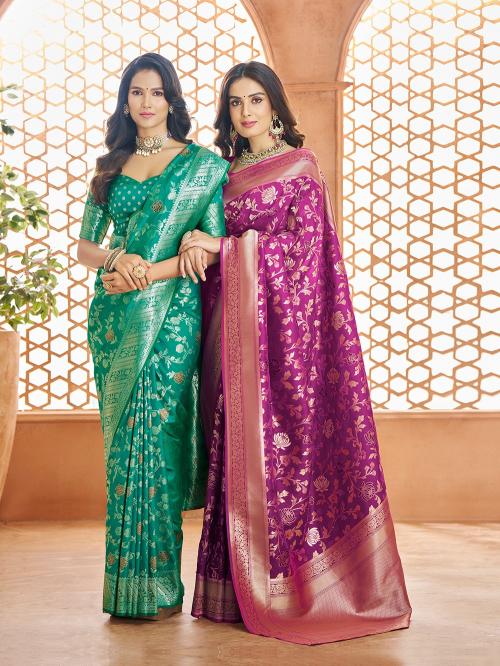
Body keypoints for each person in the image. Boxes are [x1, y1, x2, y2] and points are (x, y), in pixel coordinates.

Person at [179, 61, 411, 644]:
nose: (246, 112)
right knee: (236, 448)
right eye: (235, 103)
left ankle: (293, 585)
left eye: (256, 100)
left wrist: (223, 247)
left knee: (284, 455)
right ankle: (234, 587)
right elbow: (201, 237)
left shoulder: (301, 169)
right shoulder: (222, 174)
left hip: (287, 341)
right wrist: (196, 243)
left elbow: (304, 253)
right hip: (231, 339)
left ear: (275, 106)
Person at [77, 53, 228, 619]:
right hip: (114, 317)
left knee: (159, 439)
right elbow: (85, 247)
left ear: (171, 100)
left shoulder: (201, 167)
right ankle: (125, 589)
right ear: (125, 103)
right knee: (123, 450)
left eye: (156, 92)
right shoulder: (110, 166)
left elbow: (211, 246)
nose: (145, 102)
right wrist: (119, 258)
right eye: (136, 92)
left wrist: (154, 268)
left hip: (171, 318)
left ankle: (161, 586)